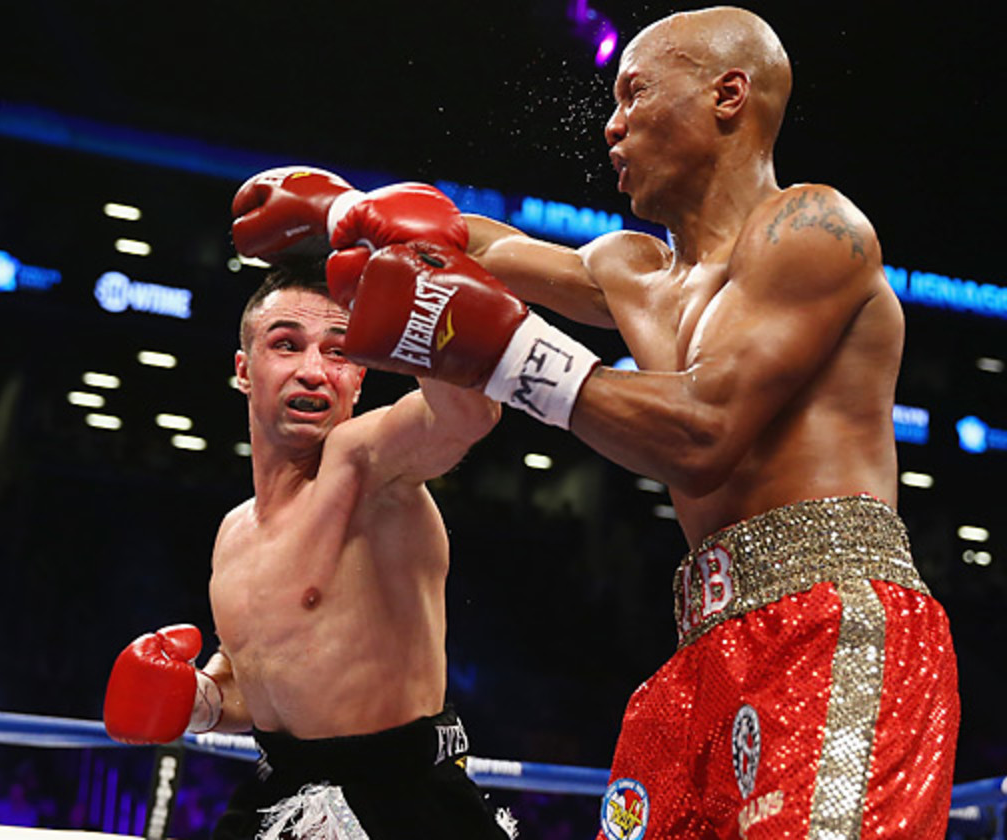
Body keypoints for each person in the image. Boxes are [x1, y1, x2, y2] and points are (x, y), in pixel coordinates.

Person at [229, 7, 959, 838]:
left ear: (728, 95)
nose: (611, 125)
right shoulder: (637, 270)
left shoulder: (814, 230)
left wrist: (500, 350)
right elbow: (482, 252)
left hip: (830, 621)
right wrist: (343, 213)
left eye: (634, 95)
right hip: (708, 637)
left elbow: (704, 432)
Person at [101, 263, 513, 840]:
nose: (314, 371)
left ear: (361, 379)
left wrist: (422, 308)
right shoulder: (235, 532)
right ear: (245, 370)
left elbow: (469, 413)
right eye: (287, 346)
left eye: (339, 352)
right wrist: (201, 700)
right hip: (278, 793)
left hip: (401, 805)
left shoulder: (364, 467)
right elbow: (264, 673)